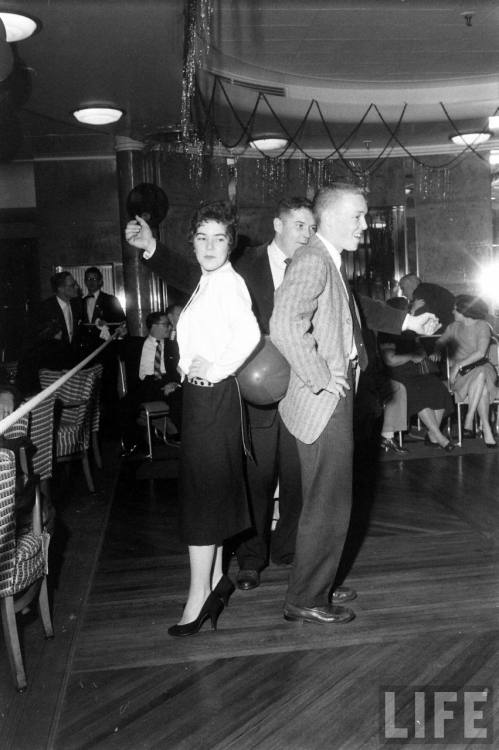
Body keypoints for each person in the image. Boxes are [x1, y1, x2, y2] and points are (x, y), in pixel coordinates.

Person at [269, 182, 441, 626]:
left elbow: (355, 309)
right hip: (324, 400)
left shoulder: (326, 259)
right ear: (328, 217)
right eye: (358, 216)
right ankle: (306, 597)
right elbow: (286, 325)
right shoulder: (313, 259)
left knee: (327, 499)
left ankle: (317, 583)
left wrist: (407, 321)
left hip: (330, 399)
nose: (365, 226)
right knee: (329, 501)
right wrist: (322, 377)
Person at [126, 201, 260, 636]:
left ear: (231, 242)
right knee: (211, 492)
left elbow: (250, 334)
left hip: (214, 398)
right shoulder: (208, 280)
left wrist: (216, 368)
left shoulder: (229, 284)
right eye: (201, 237)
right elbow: (184, 280)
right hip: (206, 399)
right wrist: (151, 247)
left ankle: (198, 596)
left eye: (219, 238)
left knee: (201, 497)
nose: (209, 245)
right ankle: (217, 582)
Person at [230, 196, 316, 591]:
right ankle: (251, 558)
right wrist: (152, 252)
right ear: (278, 226)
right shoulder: (243, 266)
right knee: (257, 480)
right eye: (300, 225)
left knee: (299, 479)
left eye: (312, 227)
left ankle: (288, 550)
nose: (308, 234)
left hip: (301, 392)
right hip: (258, 393)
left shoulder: (317, 265)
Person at [378, 299, 455, 452]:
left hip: (416, 372)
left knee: (438, 388)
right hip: (397, 374)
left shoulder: (409, 332)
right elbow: (390, 360)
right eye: (406, 310)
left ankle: (433, 435)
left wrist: (422, 353)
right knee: (419, 393)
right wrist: (411, 356)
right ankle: (439, 437)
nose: (409, 313)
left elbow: (420, 351)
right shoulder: (387, 332)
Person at [436, 294, 498, 447]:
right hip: (464, 376)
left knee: (482, 372)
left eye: (455, 309)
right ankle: (486, 429)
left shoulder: (482, 325)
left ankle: (469, 416)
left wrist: (458, 365)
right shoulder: (453, 327)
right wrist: (437, 350)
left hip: (481, 368)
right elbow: (440, 342)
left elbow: (481, 353)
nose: (452, 312)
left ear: (464, 311)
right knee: (481, 385)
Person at [120, 310, 182, 451]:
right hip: (144, 385)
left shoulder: (174, 346)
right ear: (154, 326)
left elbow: (180, 369)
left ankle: (181, 437)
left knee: (180, 396)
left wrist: (175, 383)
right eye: (166, 324)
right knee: (125, 405)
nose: (170, 328)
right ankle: (134, 445)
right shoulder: (134, 344)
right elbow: (116, 347)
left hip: (166, 383)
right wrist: (120, 334)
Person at [38, 271, 83, 351]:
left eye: (75, 284)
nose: (76, 287)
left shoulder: (77, 304)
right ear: (60, 289)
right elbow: (41, 338)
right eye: (72, 285)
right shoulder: (46, 308)